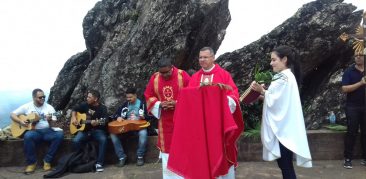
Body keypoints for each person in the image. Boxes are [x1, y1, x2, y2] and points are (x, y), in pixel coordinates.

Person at [167, 47, 244, 179]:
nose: (202, 60)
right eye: (200, 57)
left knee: (219, 152)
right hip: (200, 128)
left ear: (213, 58)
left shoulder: (224, 75)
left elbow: (233, 95)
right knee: (200, 156)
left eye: (205, 57)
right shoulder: (195, 77)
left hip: (217, 126)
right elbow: (189, 102)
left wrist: (221, 101)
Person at [251, 45, 312, 179]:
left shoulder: (283, 77)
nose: (271, 63)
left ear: (284, 59)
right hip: (285, 128)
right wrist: (259, 94)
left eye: (274, 60)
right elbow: (277, 100)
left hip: (283, 130)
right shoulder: (286, 76)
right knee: (284, 165)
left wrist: (261, 91)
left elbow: (275, 99)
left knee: (286, 166)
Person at [144, 57, 190, 178]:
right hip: (165, 121)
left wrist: (178, 103)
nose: (164, 75)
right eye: (161, 72)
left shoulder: (182, 75)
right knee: (167, 151)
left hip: (182, 119)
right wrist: (159, 104)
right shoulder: (155, 78)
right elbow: (148, 95)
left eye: (167, 72)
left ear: (172, 67)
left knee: (183, 148)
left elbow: (192, 93)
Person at [10, 88, 64, 174]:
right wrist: (21, 122)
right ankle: (31, 163)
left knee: (59, 135)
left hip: (47, 131)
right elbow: (12, 114)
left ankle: (47, 160)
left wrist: (49, 120)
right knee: (28, 136)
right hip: (34, 132)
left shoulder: (49, 108)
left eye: (44, 97)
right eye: (40, 97)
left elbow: (54, 125)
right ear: (34, 98)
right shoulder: (27, 106)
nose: (43, 98)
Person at [70, 89, 108, 172]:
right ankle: (82, 159)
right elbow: (74, 109)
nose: (87, 98)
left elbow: (105, 120)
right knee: (76, 141)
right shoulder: (85, 105)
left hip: (97, 130)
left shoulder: (102, 108)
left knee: (103, 139)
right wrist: (73, 117)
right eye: (87, 97)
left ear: (95, 99)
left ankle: (99, 163)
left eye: (89, 97)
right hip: (84, 130)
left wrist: (97, 123)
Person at [110, 87, 148, 167]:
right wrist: (118, 117)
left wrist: (143, 117)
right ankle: (121, 157)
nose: (128, 99)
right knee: (113, 134)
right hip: (126, 128)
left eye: (130, 97)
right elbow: (115, 114)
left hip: (138, 128)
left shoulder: (142, 104)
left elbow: (149, 117)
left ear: (135, 95)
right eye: (127, 97)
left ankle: (140, 156)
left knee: (143, 133)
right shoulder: (125, 105)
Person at [341, 51, 366, 169]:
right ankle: (348, 158)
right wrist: (360, 83)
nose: (358, 57)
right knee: (352, 132)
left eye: (360, 55)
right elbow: (344, 88)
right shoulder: (349, 71)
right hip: (353, 107)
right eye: (356, 55)